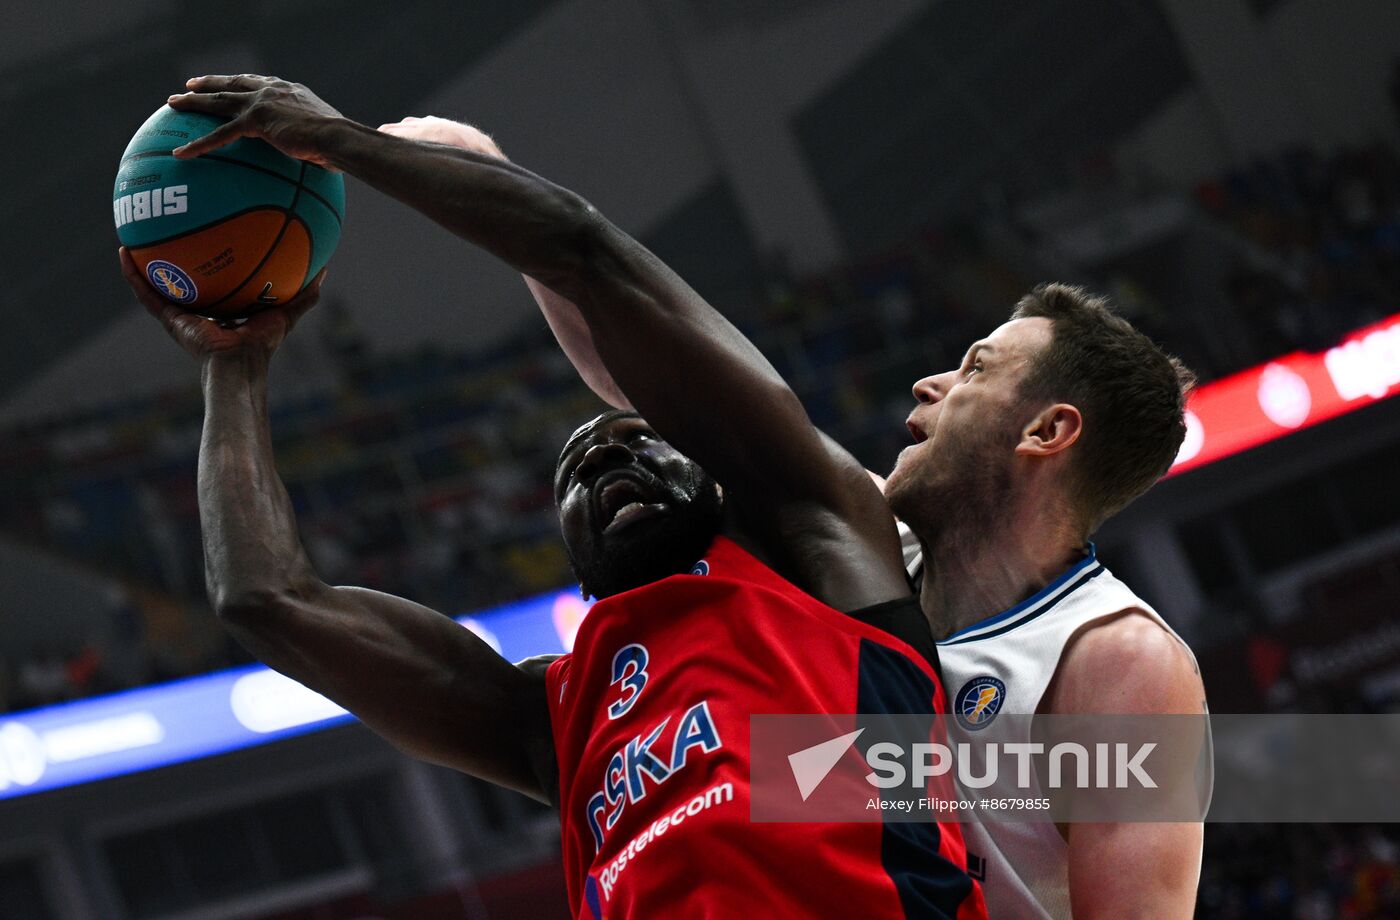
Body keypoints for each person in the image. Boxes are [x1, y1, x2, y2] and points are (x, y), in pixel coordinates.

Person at [132, 74, 989, 919]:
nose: (606, 460)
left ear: (727, 487)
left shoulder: (817, 557)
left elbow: (587, 256)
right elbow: (263, 600)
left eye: (637, 440)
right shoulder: (552, 720)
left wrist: (343, 144)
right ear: (573, 563)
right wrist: (234, 367)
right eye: (574, 472)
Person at [370, 119, 1209, 920]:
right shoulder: (859, 549)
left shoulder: (1117, 661)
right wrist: (488, 177)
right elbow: (659, 384)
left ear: (1047, 431)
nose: (929, 384)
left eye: (974, 369)